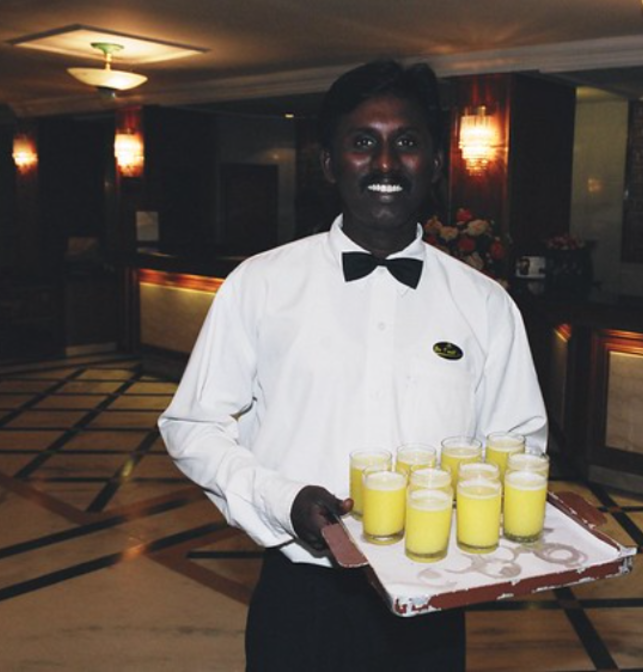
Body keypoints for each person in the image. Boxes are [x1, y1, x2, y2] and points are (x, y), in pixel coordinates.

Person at [158, 60, 548, 671]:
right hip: (302, 595)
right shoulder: (261, 284)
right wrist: (282, 499)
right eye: (363, 143)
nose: (386, 164)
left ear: (436, 165)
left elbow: (519, 442)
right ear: (329, 163)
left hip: (435, 589)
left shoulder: (486, 304)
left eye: (407, 142)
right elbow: (192, 426)